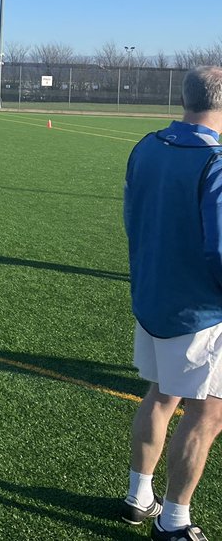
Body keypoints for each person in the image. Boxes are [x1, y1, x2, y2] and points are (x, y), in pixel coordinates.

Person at [121, 66, 222, 541]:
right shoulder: (217, 160)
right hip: (202, 311)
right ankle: (175, 519)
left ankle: (139, 497)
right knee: (208, 415)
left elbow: (131, 218)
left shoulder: (146, 145)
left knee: (161, 396)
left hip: (153, 298)